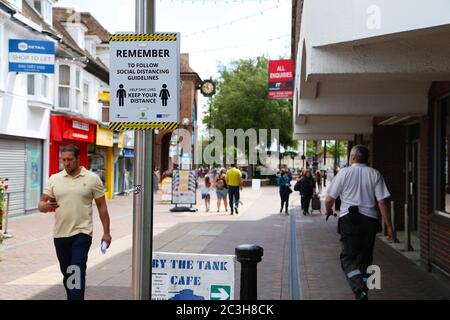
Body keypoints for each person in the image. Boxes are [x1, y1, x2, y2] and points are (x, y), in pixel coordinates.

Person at [38, 145, 111, 300]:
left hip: (82, 233)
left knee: (76, 270)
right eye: (63, 160)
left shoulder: (92, 179)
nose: (66, 163)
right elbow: (41, 204)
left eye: (70, 159)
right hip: (60, 234)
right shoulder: (54, 179)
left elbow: (102, 207)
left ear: (78, 158)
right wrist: (45, 206)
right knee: (67, 273)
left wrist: (106, 233)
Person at [325, 145, 395, 300]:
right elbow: (382, 202)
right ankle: (363, 292)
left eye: (350, 156)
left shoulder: (344, 173)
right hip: (370, 221)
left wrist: (329, 210)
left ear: (353, 157)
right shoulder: (375, 174)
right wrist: (389, 227)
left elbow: (329, 199)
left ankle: (360, 290)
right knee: (365, 258)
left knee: (348, 258)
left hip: (349, 221)